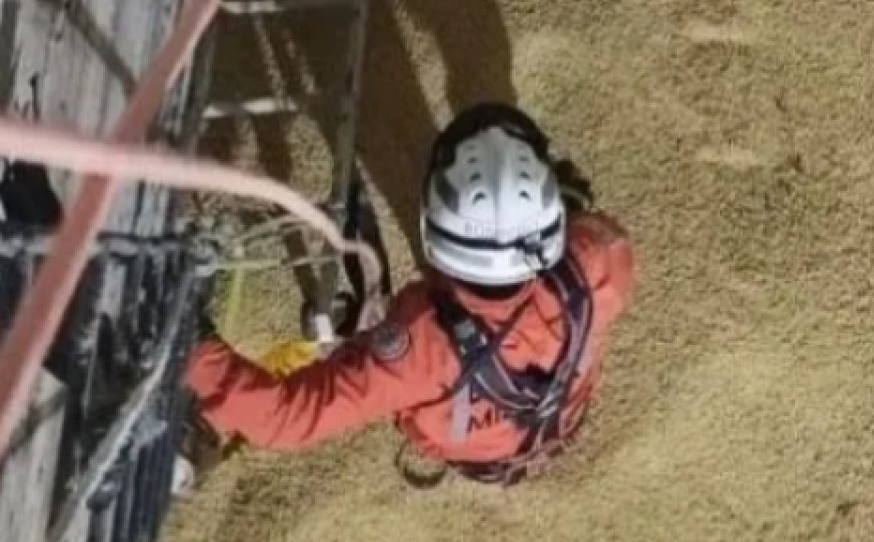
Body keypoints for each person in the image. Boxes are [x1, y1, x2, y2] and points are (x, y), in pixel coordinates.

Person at [184, 103, 635, 486]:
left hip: (458, 429)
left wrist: (193, 345)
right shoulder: (594, 262)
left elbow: (289, 417)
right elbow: (605, 235)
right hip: (549, 422)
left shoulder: (417, 350)